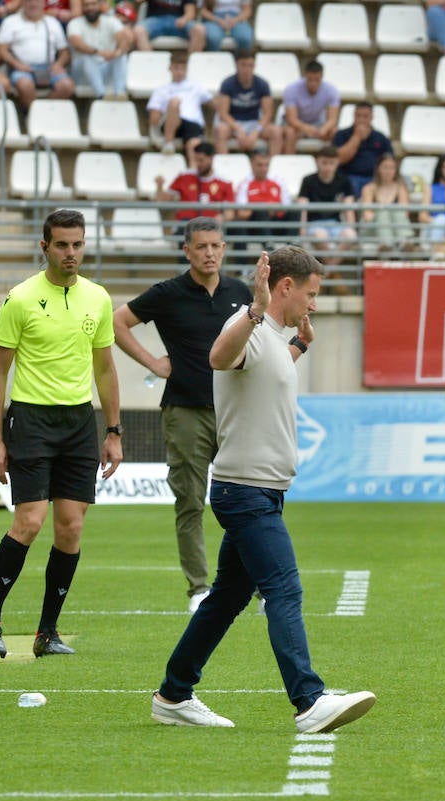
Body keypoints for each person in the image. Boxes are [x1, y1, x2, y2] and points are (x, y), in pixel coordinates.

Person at [150, 246, 377, 733]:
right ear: (285, 287)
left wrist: (301, 346)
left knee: (226, 600)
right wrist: (254, 309)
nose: (314, 304)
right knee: (284, 589)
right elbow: (219, 358)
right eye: (310, 295)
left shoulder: (276, 337)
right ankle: (309, 701)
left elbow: (266, 379)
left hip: (264, 491)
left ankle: (173, 694)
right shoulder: (248, 325)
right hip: (244, 492)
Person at [0, 209, 122, 660]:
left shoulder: (98, 298)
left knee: (71, 529)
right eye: (62, 244)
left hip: (79, 423)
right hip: (31, 421)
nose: (71, 253)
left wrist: (112, 431)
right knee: (30, 521)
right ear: (45, 247)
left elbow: (105, 368)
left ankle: (47, 634)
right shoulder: (19, 298)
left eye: (77, 244)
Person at [111, 218, 251, 612]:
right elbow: (118, 321)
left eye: (216, 246)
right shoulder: (168, 293)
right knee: (190, 501)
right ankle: (199, 589)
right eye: (201, 246)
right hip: (185, 411)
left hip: (235, 412)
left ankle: (256, 588)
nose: (209, 253)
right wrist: (153, 362)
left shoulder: (241, 293)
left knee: (248, 500)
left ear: (224, 249)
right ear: (187, 251)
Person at [0, 0, 73, 108]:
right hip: (22, 68)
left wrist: (58, 65)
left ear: (43, 3)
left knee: (67, 86)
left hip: (49, 67)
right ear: (23, 3)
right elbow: (2, 50)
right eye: (29, 1)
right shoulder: (11, 22)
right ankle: (33, 115)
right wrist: (17, 64)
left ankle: (42, 114)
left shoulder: (52, 22)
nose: (33, 4)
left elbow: (64, 51)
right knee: (25, 85)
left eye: (37, 1)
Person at [155, 141, 236, 236]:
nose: (198, 164)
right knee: (184, 227)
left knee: (237, 231)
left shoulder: (224, 182)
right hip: (186, 228)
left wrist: (222, 217)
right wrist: (159, 185)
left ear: (211, 158)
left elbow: (230, 212)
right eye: (196, 160)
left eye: (201, 160)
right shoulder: (184, 176)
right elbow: (163, 200)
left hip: (211, 229)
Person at [146, 52, 212, 162]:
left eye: (182, 68)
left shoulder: (195, 86)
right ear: (170, 68)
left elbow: (214, 103)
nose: (179, 72)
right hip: (171, 123)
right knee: (175, 102)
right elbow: (154, 118)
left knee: (194, 146)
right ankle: (168, 143)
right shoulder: (161, 89)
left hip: (192, 124)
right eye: (176, 68)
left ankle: (192, 173)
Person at [298, 145, 358, 264]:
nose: (328, 167)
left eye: (331, 163)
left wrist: (351, 227)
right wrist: (303, 230)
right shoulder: (308, 180)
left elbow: (349, 208)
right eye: (324, 163)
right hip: (315, 225)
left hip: (336, 224)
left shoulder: (344, 181)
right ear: (317, 162)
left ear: (337, 163)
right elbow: (302, 208)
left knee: (350, 235)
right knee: (321, 236)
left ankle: (327, 271)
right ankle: (332, 273)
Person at [214, 48, 279, 155]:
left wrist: (256, 132)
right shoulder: (227, 84)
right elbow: (223, 114)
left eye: (250, 65)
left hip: (254, 122)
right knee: (221, 131)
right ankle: (223, 164)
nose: (247, 69)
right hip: (233, 123)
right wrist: (238, 130)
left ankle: (271, 166)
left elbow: (268, 114)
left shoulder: (262, 84)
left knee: (276, 131)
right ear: (236, 65)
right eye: (243, 65)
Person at [231, 148, 295, 249]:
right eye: (260, 165)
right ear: (252, 164)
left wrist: (273, 208)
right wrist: (261, 207)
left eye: (266, 165)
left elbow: (288, 206)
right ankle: (268, 244)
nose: (264, 169)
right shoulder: (244, 184)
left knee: (295, 212)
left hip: (277, 222)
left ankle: (294, 247)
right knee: (261, 210)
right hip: (255, 226)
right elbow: (242, 214)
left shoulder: (279, 182)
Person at [66, 0, 129, 98]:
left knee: (121, 56)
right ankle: (102, 95)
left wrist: (116, 53)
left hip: (105, 68)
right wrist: (99, 53)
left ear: (100, 5)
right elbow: (77, 44)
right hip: (83, 75)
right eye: (86, 5)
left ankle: (120, 93)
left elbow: (124, 41)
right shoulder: (74, 23)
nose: (90, 8)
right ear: (82, 8)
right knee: (87, 57)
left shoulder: (111, 21)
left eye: (93, 4)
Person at [333, 102, 395, 197]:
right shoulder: (341, 135)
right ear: (354, 116)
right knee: (351, 185)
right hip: (349, 177)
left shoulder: (381, 138)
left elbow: (390, 161)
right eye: (358, 116)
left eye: (365, 116)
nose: (361, 120)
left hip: (375, 178)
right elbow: (339, 159)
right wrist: (356, 137)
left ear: (371, 117)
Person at [281, 59, 340, 154]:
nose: (313, 83)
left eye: (317, 80)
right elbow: (291, 119)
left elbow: (332, 119)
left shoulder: (331, 90)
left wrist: (324, 129)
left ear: (322, 76)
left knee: (335, 132)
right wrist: (306, 128)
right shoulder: (291, 89)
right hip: (297, 126)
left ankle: (331, 163)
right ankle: (289, 163)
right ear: (305, 76)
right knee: (290, 132)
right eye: (310, 79)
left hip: (318, 124)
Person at [360, 152, 414, 252]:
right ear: (378, 169)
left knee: (397, 212)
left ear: (396, 170)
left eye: (391, 168)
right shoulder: (368, 188)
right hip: (373, 230)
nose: (388, 171)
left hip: (395, 229)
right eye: (385, 167)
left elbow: (405, 214)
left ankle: (404, 242)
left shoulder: (401, 188)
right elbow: (367, 215)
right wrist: (385, 215)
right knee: (382, 213)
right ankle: (386, 243)